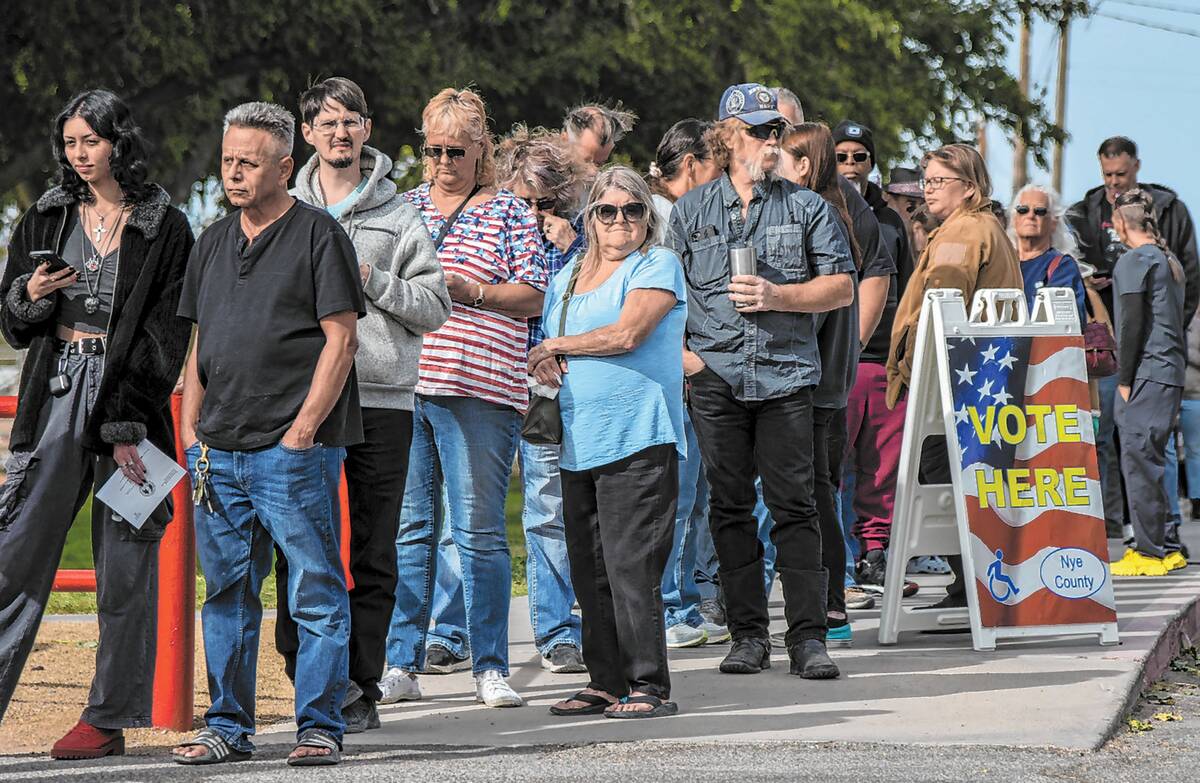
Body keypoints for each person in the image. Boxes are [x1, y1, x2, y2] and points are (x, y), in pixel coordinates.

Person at [0, 89, 193, 759]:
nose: (81, 155)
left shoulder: (166, 225)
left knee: (126, 562)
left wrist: (125, 419)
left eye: (92, 140)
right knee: (13, 548)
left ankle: (106, 718)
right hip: (53, 397)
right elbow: (14, 323)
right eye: (72, 143)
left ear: (120, 141)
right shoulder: (45, 217)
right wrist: (29, 297)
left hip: (131, 414)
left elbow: (171, 333)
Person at [174, 101, 365, 767]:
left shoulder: (319, 236)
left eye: (247, 162)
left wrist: (304, 430)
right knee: (226, 593)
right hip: (218, 454)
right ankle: (227, 725)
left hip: (292, 454)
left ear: (285, 166)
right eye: (227, 161)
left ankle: (318, 726)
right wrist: (194, 432)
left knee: (315, 591)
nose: (233, 172)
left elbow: (341, 339)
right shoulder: (212, 240)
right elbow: (200, 344)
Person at [668, 83, 855, 678]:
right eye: (757, 130)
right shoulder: (690, 211)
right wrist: (687, 360)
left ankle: (808, 638)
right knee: (728, 508)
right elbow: (665, 295)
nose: (770, 140)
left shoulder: (807, 207)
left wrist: (780, 295)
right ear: (726, 137)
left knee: (795, 507)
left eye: (775, 130)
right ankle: (748, 635)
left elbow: (842, 286)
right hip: (716, 377)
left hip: (784, 377)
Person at [283, 77, 452, 728]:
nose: (340, 133)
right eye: (326, 123)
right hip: (303, 401)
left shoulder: (399, 214)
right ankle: (307, 676)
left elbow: (434, 306)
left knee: (374, 549)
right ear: (307, 134)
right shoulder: (288, 210)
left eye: (350, 121)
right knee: (299, 544)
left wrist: (371, 278)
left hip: (382, 398)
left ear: (368, 128)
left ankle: (361, 685)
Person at [384, 88, 546, 708]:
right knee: (409, 530)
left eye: (457, 149)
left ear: (483, 149)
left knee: (477, 529)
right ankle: (401, 660)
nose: (444, 161)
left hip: (479, 387)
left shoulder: (510, 212)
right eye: (433, 150)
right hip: (407, 386)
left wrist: (470, 290)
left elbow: (534, 295)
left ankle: (490, 665)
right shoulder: (404, 207)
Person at [533, 166, 687, 719]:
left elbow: (628, 334)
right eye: (608, 210)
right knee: (590, 568)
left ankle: (648, 684)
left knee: (631, 565)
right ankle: (605, 681)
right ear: (590, 219)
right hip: (579, 439)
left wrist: (557, 343)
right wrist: (550, 360)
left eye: (633, 210)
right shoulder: (568, 276)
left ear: (648, 218)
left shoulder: (657, 264)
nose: (621, 220)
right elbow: (557, 351)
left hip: (639, 436)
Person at [887, 143, 1022, 610]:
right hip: (981, 378)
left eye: (938, 181)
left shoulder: (961, 234)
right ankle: (972, 585)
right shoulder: (984, 227)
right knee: (966, 479)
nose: (928, 189)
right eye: (926, 181)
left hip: (955, 383)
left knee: (943, 477)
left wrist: (912, 371)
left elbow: (941, 313)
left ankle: (973, 585)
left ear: (969, 188)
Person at [779, 122, 893, 649]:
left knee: (814, 495)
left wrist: (849, 346)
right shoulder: (827, 208)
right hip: (812, 377)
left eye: (780, 154)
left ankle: (827, 606)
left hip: (816, 381)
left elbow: (870, 278)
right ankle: (825, 604)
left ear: (803, 164)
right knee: (815, 493)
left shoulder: (828, 212)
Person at [1066, 136, 1200, 545]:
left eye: (1120, 175)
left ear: (1136, 167)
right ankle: (1116, 523)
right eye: (1106, 175)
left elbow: (1189, 277)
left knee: (1148, 443)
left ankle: (1160, 532)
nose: (1113, 183)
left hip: (1149, 349)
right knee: (1108, 435)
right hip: (1106, 338)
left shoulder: (1166, 209)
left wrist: (1167, 328)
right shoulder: (1086, 209)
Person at [648, 118, 728, 648]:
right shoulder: (658, 216)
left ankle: (690, 599)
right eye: (717, 170)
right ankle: (668, 608)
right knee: (674, 500)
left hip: (693, 375)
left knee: (697, 497)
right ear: (695, 165)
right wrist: (682, 359)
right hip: (671, 377)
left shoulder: (683, 213)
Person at [1109, 188, 1188, 577]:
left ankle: (1150, 551)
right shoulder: (1167, 258)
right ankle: (1168, 545)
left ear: (1120, 223)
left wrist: (1124, 378)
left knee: (1139, 460)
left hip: (1146, 372)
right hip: (1170, 371)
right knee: (1154, 460)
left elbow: (1130, 323)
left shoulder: (1134, 260)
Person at [1007, 184, 1087, 324]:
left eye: (1040, 211)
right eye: (1023, 210)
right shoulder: (1001, 264)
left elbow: (1063, 323)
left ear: (1053, 222)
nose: (1030, 216)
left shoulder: (1062, 266)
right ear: (1015, 219)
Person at [561, 103, 637, 169]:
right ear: (564, 140)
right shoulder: (549, 179)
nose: (593, 172)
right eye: (585, 162)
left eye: (599, 165)